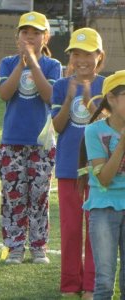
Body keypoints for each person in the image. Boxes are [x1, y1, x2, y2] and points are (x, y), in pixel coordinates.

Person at [0, 11, 62, 264]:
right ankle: (14, 247)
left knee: (39, 197)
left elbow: (50, 96)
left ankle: (38, 246)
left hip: (42, 144)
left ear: (46, 37)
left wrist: (34, 63)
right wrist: (22, 64)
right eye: (25, 32)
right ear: (17, 36)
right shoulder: (8, 62)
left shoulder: (52, 65)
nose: (30, 37)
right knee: (13, 198)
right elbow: (4, 93)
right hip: (12, 141)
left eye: (36, 33)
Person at [51, 27, 105, 299]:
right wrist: (70, 98)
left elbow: (108, 127)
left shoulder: (108, 86)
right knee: (71, 230)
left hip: (99, 170)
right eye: (76, 54)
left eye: (88, 54)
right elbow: (58, 126)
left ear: (99, 56)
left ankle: (92, 285)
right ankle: (70, 284)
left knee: (95, 228)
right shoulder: (61, 85)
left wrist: (88, 98)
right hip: (68, 167)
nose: (82, 59)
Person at [79, 70, 125, 299]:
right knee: (105, 281)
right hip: (104, 207)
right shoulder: (94, 131)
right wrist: (122, 143)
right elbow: (104, 179)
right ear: (112, 99)